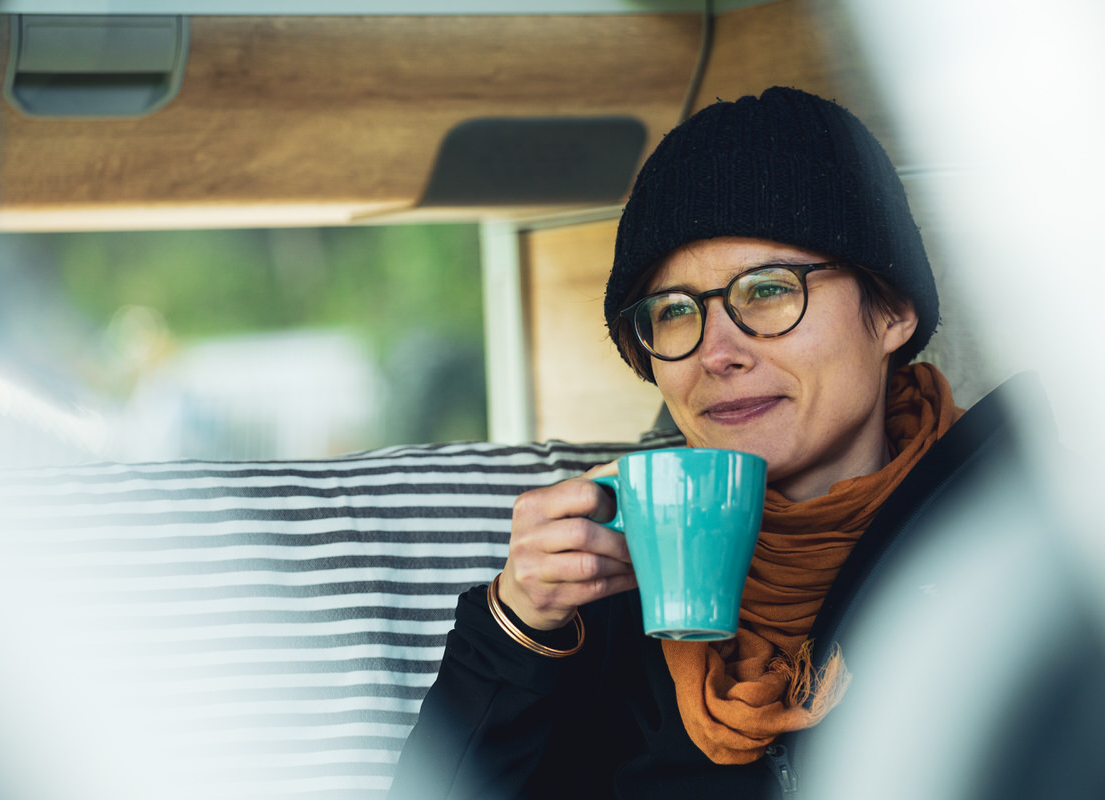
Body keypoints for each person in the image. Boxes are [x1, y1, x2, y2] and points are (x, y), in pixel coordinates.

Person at [388, 86, 1051, 799]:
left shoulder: (1030, 550)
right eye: (674, 311)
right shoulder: (610, 586)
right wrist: (518, 625)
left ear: (889, 312)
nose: (718, 352)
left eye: (768, 290)